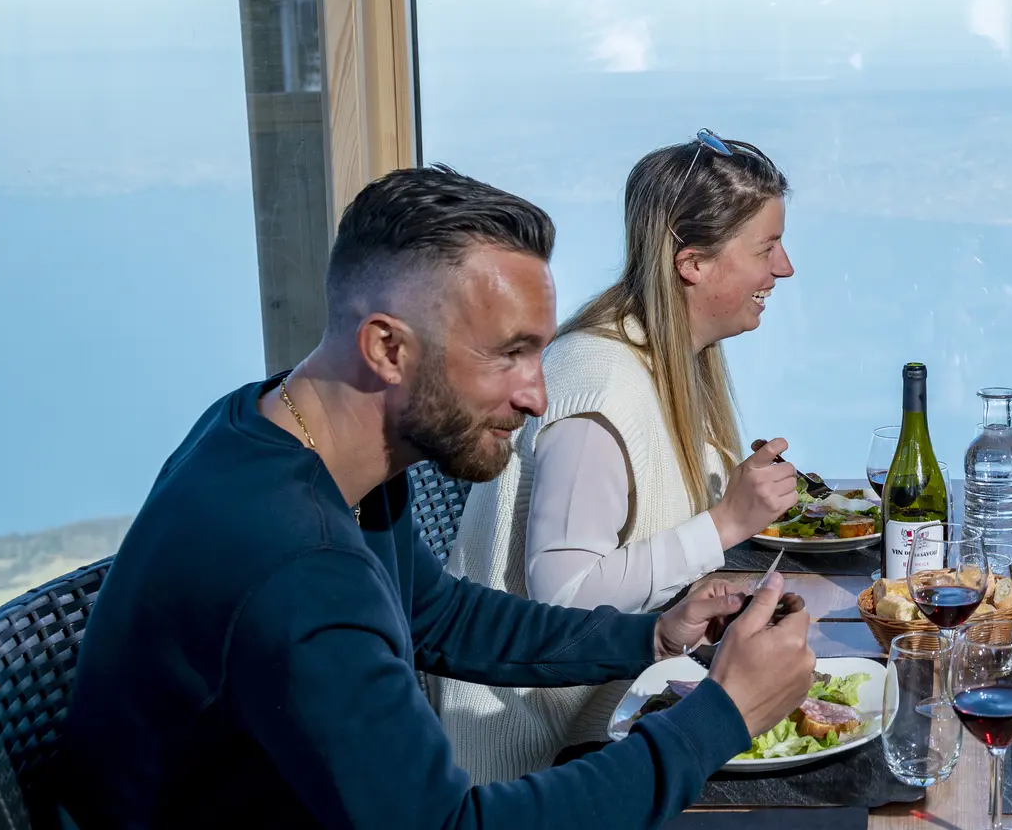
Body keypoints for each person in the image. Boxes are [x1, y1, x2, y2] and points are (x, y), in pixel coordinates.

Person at [63, 166, 817, 829]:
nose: (538, 395)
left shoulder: (280, 431)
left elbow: (440, 614)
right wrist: (722, 716)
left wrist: (653, 636)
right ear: (387, 348)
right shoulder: (299, 569)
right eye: (510, 354)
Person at [438, 130, 802, 780]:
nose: (784, 269)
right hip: (533, 763)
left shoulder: (673, 359)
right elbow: (567, 603)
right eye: (766, 248)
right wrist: (728, 523)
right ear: (693, 263)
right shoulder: (600, 381)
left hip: (617, 716)